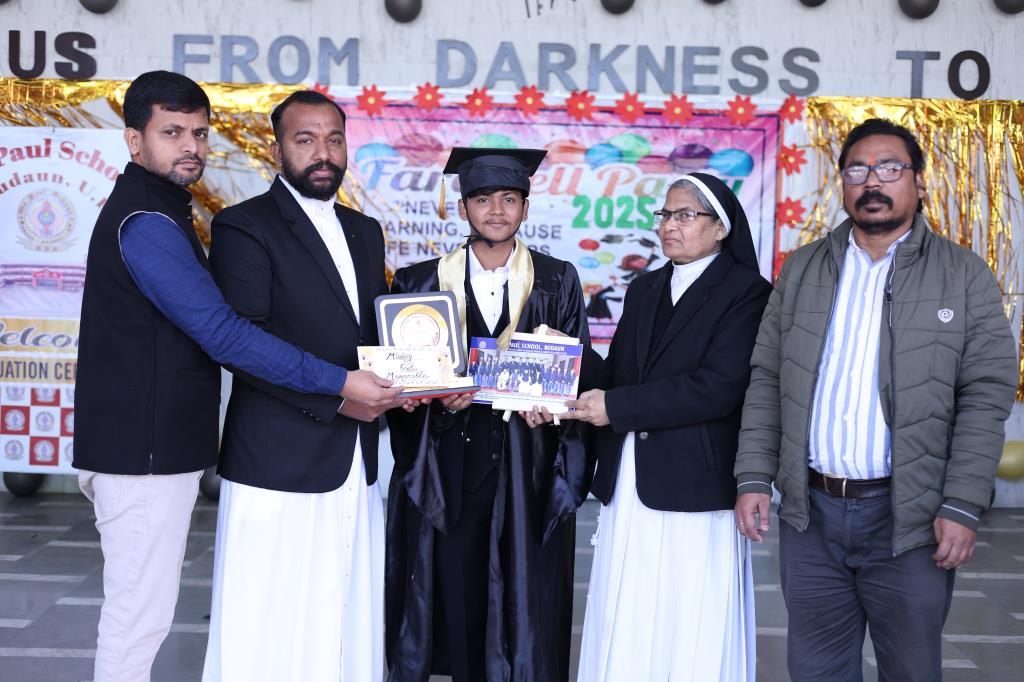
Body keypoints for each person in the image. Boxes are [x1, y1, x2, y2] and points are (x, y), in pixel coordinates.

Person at [73, 72, 397, 682]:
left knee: (142, 614)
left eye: (199, 133)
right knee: (137, 619)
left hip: (155, 450)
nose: (190, 146)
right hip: (140, 452)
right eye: (171, 133)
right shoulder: (146, 221)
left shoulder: (165, 211)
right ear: (134, 140)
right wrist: (339, 384)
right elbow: (224, 334)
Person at [734, 118, 1017, 681]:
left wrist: (962, 504)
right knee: (816, 671)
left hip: (910, 519)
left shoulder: (963, 275)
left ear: (918, 181)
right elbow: (767, 377)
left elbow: (985, 397)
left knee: (909, 670)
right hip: (810, 516)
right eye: (857, 170)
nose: (872, 182)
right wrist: (753, 477)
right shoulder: (804, 269)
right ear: (842, 182)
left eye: (889, 168)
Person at [200, 90, 406, 682]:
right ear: (277, 151)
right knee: (269, 620)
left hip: (357, 459)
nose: (323, 153)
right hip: (278, 460)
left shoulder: (364, 231)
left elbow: (369, 337)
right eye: (306, 139)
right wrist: (340, 394)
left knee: (346, 613)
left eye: (334, 140)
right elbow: (243, 344)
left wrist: (419, 380)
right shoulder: (243, 225)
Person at [384, 148, 598, 682]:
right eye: (482, 199)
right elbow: (398, 386)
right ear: (463, 209)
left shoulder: (556, 279)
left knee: (523, 593)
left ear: (526, 207)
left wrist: (553, 410)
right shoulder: (418, 283)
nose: (496, 211)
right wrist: (435, 399)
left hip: (526, 467)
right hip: (450, 465)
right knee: (456, 591)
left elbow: (577, 372)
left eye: (509, 199)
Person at [564, 173, 770, 681]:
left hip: (695, 484)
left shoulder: (746, 292)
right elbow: (619, 375)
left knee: (690, 617)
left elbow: (718, 387)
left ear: (720, 228)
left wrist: (617, 407)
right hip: (631, 478)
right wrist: (565, 357)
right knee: (628, 610)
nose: (669, 226)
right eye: (665, 215)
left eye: (685, 215)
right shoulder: (646, 288)